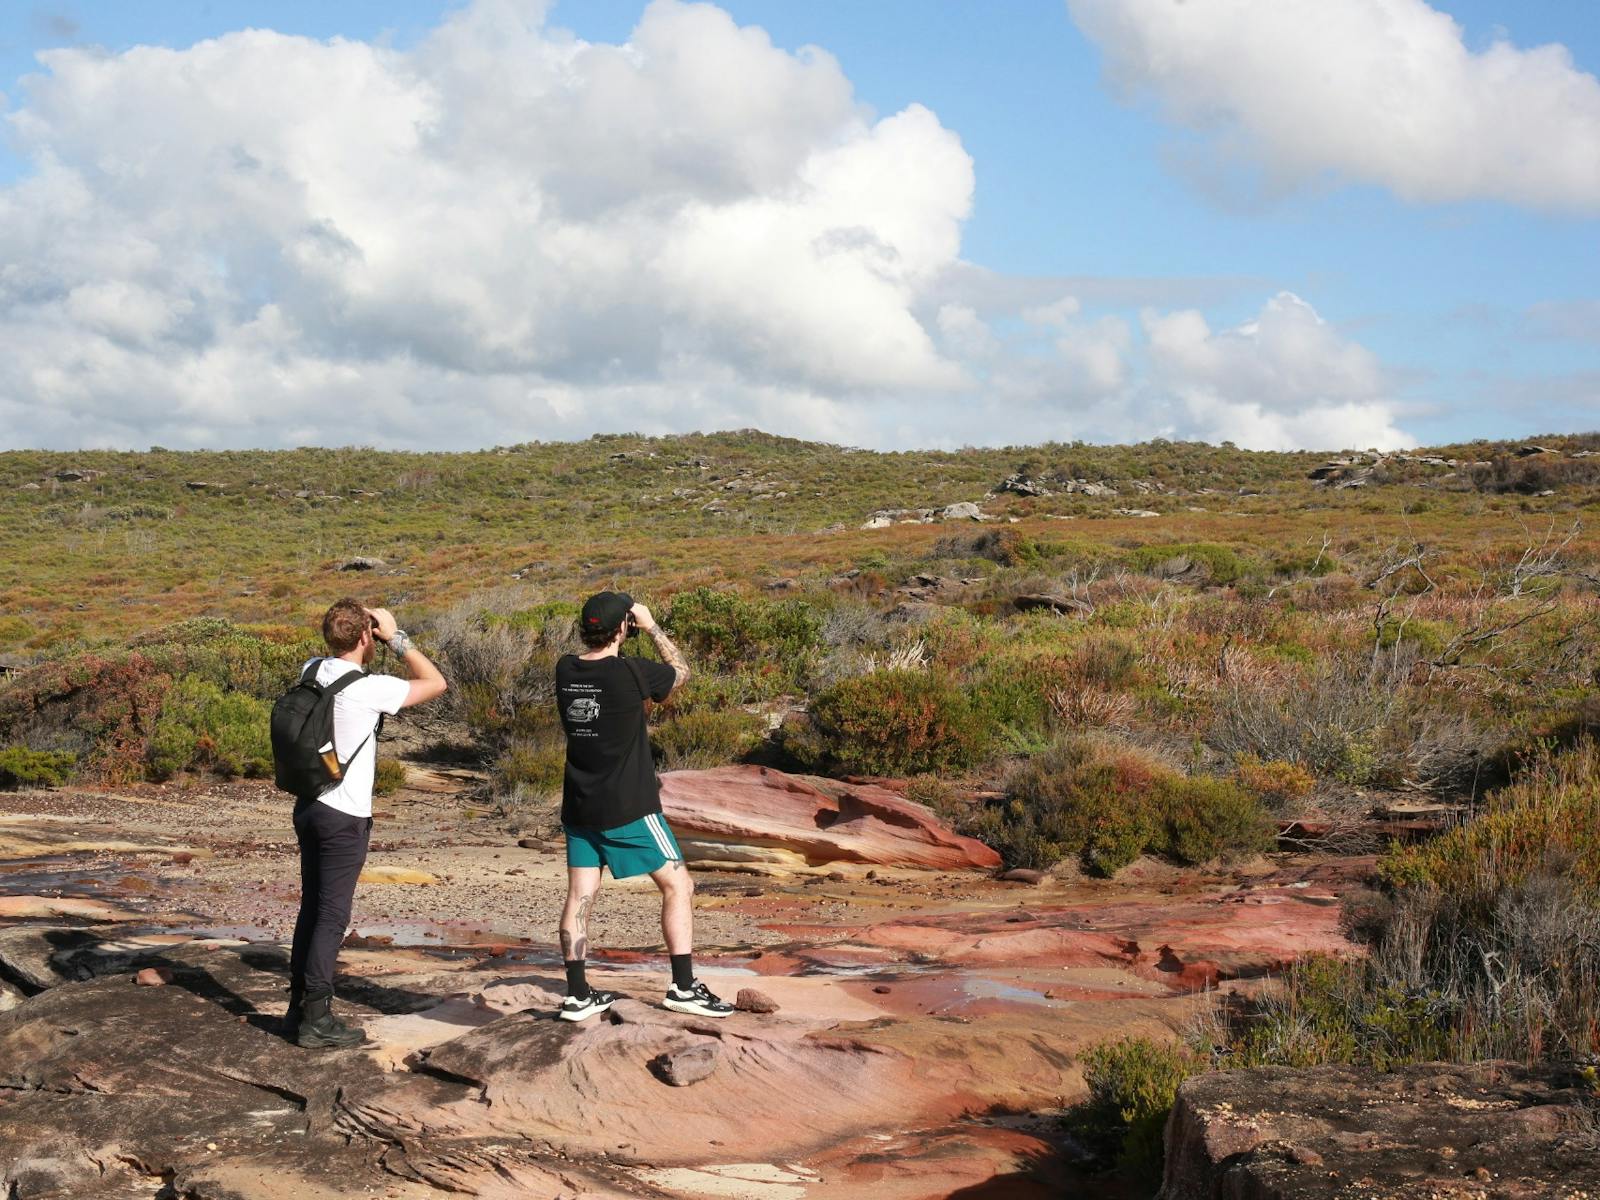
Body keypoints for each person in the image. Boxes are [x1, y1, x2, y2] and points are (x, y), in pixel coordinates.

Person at [553, 590, 733, 1021]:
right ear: (622, 629)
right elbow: (681, 672)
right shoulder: (633, 671)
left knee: (580, 896)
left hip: (580, 806)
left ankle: (577, 994)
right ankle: (683, 987)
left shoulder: (564, 668)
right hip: (630, 806)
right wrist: (651, 626)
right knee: (679, 885)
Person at [287, 599, 447, 1048]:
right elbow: (436, 682)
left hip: (309, 805)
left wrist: (360, 630)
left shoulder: (312, 669)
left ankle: (297, 1009)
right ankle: (315, 1019)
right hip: (345, 814)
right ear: (364, 637)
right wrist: (396, 639)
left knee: (311, 908)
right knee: (331, 916)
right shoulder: (369, 687)